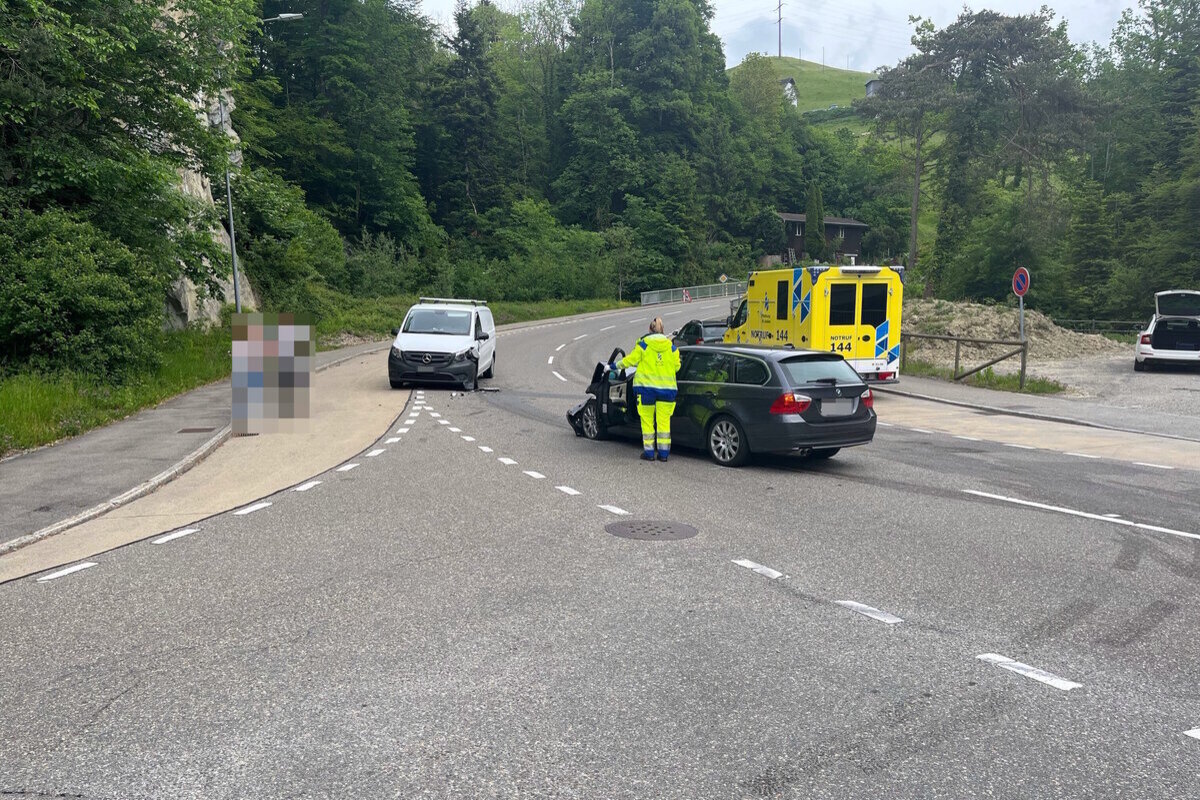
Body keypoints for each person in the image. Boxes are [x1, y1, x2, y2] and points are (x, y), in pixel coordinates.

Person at [612, 317, 681, 462]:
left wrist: (614, 366)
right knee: (663, 424)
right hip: (667, 391)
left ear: (650, 330)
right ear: (663, 330)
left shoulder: (643, 345)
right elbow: (677, 367)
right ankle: (663, 455)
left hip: (646, 391)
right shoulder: (672, 348)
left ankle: (649, 454)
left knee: (647, 422)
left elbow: (630, 360)